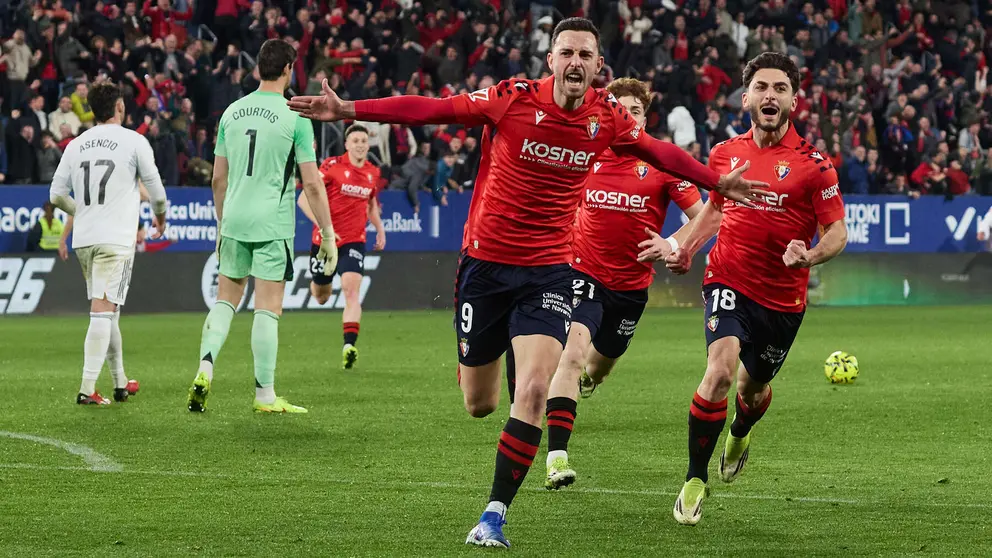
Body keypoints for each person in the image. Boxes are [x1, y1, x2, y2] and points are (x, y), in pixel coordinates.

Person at [288, 17, 767, 549]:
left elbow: (661, 153)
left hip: (551, 269)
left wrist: (714, 180)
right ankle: (491, 354)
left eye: (587, 55)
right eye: (567, 53)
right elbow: (433, 109)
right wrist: (350, 109)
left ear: (598, 66)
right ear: (551, 60)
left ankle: (493, 514)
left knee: (536, 388)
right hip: (485, 267)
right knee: (480, 403)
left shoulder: (606, 116)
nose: (576, 63)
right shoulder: (511, 98)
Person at [664, 52, 848, 526]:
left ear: (793, 100)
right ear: (745, 97)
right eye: (761, 87)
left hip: (782, 299)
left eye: (780, 88)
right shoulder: (725, 153)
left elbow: (837, 231)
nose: (770, 95)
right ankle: (694, 478)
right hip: (728, 277)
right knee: (720, 371)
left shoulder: (814, 165)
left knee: (752, 390)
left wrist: (809, 255)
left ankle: (741, 432)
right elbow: (714, 211)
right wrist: (684, 245)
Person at [542, 78, 705, 490]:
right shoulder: (585, 151)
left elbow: (702, 216)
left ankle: (584, 384)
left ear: (643, 119)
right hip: (582, 273)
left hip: (631, 286)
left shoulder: (662, 162)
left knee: (598, 367)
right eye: (620, 109)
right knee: (572, 356)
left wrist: (672, 244)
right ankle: (556, 457)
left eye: (634, 111)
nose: (626, 116)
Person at [186, 39, 337, 415]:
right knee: (267, 309)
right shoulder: (295, 116)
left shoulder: (231, 113)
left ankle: (205, 367)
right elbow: (313, 184)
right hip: (272, 223)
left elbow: (217, 180)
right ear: (288, 69)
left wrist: (222, 225)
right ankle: (264, 395)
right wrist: (329, 234)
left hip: (234, 219)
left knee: (225, 301)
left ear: (257, 69)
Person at [48, 82, 169, 406]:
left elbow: (56, 195)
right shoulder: (133, 140)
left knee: (109, 309)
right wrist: (160, 219)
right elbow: (156, 192)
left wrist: (83, 212)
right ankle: (87, 389)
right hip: (114, 241)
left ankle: (119, 382)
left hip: (85, 240)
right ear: (118, 107)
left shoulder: (77, 144)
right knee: (102, 311)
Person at [298, 123, 386, 369]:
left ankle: (349, 346)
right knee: (322, 296)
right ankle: (318, 282)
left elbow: (371, 205)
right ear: (346, 144)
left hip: (354, 240)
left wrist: (380, 229)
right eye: (355, 141)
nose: (360, 145)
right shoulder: (332, 166)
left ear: (368, 145)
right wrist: (324, 228)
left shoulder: (372, 173)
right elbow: (304, 199)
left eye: (363, 141)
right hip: (325, 241)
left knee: (351, 291)